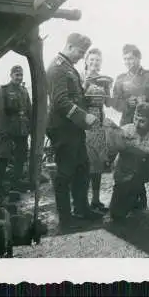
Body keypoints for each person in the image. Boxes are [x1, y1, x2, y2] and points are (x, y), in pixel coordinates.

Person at [46, 33, 103, 231]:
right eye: (80, 52)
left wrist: (92, 98)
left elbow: (75, 98)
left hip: (73, 128)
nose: (81, 56)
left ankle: (81, 209)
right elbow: (60, 101)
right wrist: (83, 117)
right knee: (65, 172)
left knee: (82, 169)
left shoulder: (69, 68)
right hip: (63, 128)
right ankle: (65, 218)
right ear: (69, 46)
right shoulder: (57, 68)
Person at [111, 44, 149, 210]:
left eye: (131, 58)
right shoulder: (120, 79)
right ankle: (139, 200)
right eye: (125, 59)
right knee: (131, 160)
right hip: (128, 124)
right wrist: (126, 103)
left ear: (138, 58)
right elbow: (115, 103)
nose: (128, 62)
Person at [0, 65, 32, 201]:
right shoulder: (3, 90)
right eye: (17, 75)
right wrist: (3, 131)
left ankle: (15, 184)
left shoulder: (24, 91)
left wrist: (30, 128)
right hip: (8, 130)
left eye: (21, 75)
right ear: (11, 75)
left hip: (21, 130)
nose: (19, 78)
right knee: (4, 157)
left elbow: (29, 110)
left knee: (21, 157)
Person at [83, 48, 114, 214]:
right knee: (86, 163)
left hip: (99, 125)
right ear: (87, 60)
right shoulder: (80, 77)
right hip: (86, 124)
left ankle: (95, 199)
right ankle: (83, 202)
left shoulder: (103, 80)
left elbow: (108, 103)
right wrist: (87, 83)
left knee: (98, 164)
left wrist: (110, 86)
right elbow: (78, 99)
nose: (95, 63)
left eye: (98, 61)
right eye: (92, 60)